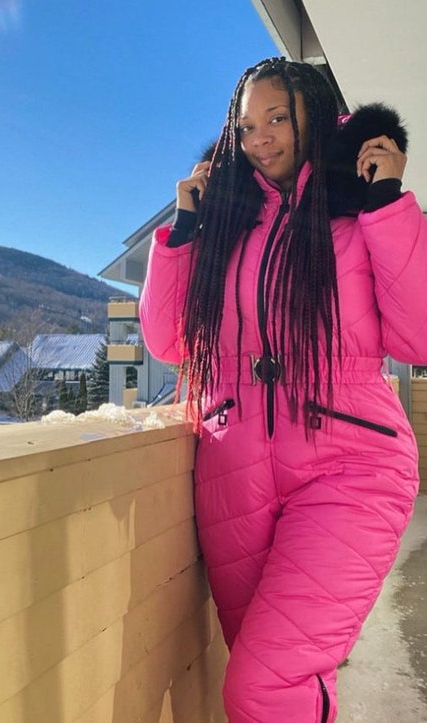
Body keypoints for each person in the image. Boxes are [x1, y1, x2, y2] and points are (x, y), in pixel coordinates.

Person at [139, 56, 427, 722]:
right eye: (246, 126)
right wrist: (185, 231)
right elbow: (168, 341)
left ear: (315, 117)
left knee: (260, 687)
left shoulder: (357, 208)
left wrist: (387, 203)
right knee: (276, 681)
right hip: (234, 478)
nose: (260, 139)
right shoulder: (227, 226)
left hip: (350, 468)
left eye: (276, 118)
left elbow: (417, 337)